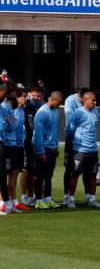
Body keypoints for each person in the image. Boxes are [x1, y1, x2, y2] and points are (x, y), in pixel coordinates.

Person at [65, 92, 100, 209]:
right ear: (85, 100)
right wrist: (74, 145)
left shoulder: (96, 111)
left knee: (92, 175)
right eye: (93, 100)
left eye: (95, 100)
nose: (95, 102)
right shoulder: (78, 113)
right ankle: (71, 199)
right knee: (75, 174)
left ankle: (92, 199)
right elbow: (69, 130)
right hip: (80, 150)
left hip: (93, 149)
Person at [32, 91, 64, 209]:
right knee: (40, 176)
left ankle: (48, 198)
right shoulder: (42, 113)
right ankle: (39, 200)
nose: (59, 106)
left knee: (49, 175)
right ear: (52, 99)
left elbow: (54, 132)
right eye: (58, 103)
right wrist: (40, 151)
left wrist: (56, 147)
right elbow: (38, 134)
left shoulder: (56, 112)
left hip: (51, 148)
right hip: (43, 148)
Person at [62, 87, 90, 206]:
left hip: (85, 141)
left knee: (88, 169)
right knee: (70, 168)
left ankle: (89, 196)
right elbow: (70, 119)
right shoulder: (70, 100)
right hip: (72, 138)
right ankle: (66, 196)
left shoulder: (90, 104)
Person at [3, 88, 30, 212]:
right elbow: (12, 126)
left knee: (14, 173)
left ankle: (13, 201)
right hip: (8, 144)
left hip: (18, 145)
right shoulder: (8, 109)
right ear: (17, 97)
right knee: (5, 173)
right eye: (24, 96)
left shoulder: (22, 111)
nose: (26, 98)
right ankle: (4, 201)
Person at [0, 81, 22, 214]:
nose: (7, 96)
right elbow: (10, 124)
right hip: (4, 141)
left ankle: (7, 203)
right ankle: (3, 203)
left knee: (2, 173)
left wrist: (7, 123)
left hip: (2, 141)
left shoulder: (3, 107)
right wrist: (6, 123)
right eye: (7, 93)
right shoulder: (4, 106)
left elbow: (12, 125)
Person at [21, 85, 44, 206]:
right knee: (26, 170)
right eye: (34, 95)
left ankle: (34, 195)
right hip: (28, 144)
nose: (36, 98)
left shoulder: (44, 108)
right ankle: (24, 195)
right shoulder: (26, 108)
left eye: (38, 96)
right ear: (30, 95)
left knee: (37, 171)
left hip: (39, 144)